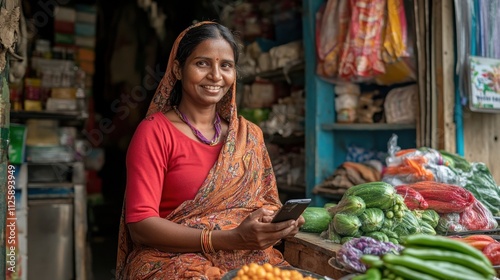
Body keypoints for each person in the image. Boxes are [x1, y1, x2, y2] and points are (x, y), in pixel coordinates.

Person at [115, 21, 305, 279]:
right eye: (202, 63)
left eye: (225, 65)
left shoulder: (248, 136)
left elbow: (267, 205)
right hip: (173, 260)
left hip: (249, 258)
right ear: (178, 70)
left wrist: (280, 226)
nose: (216, 75)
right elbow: (141, 226)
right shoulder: (155, 132)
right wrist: (228, 239)